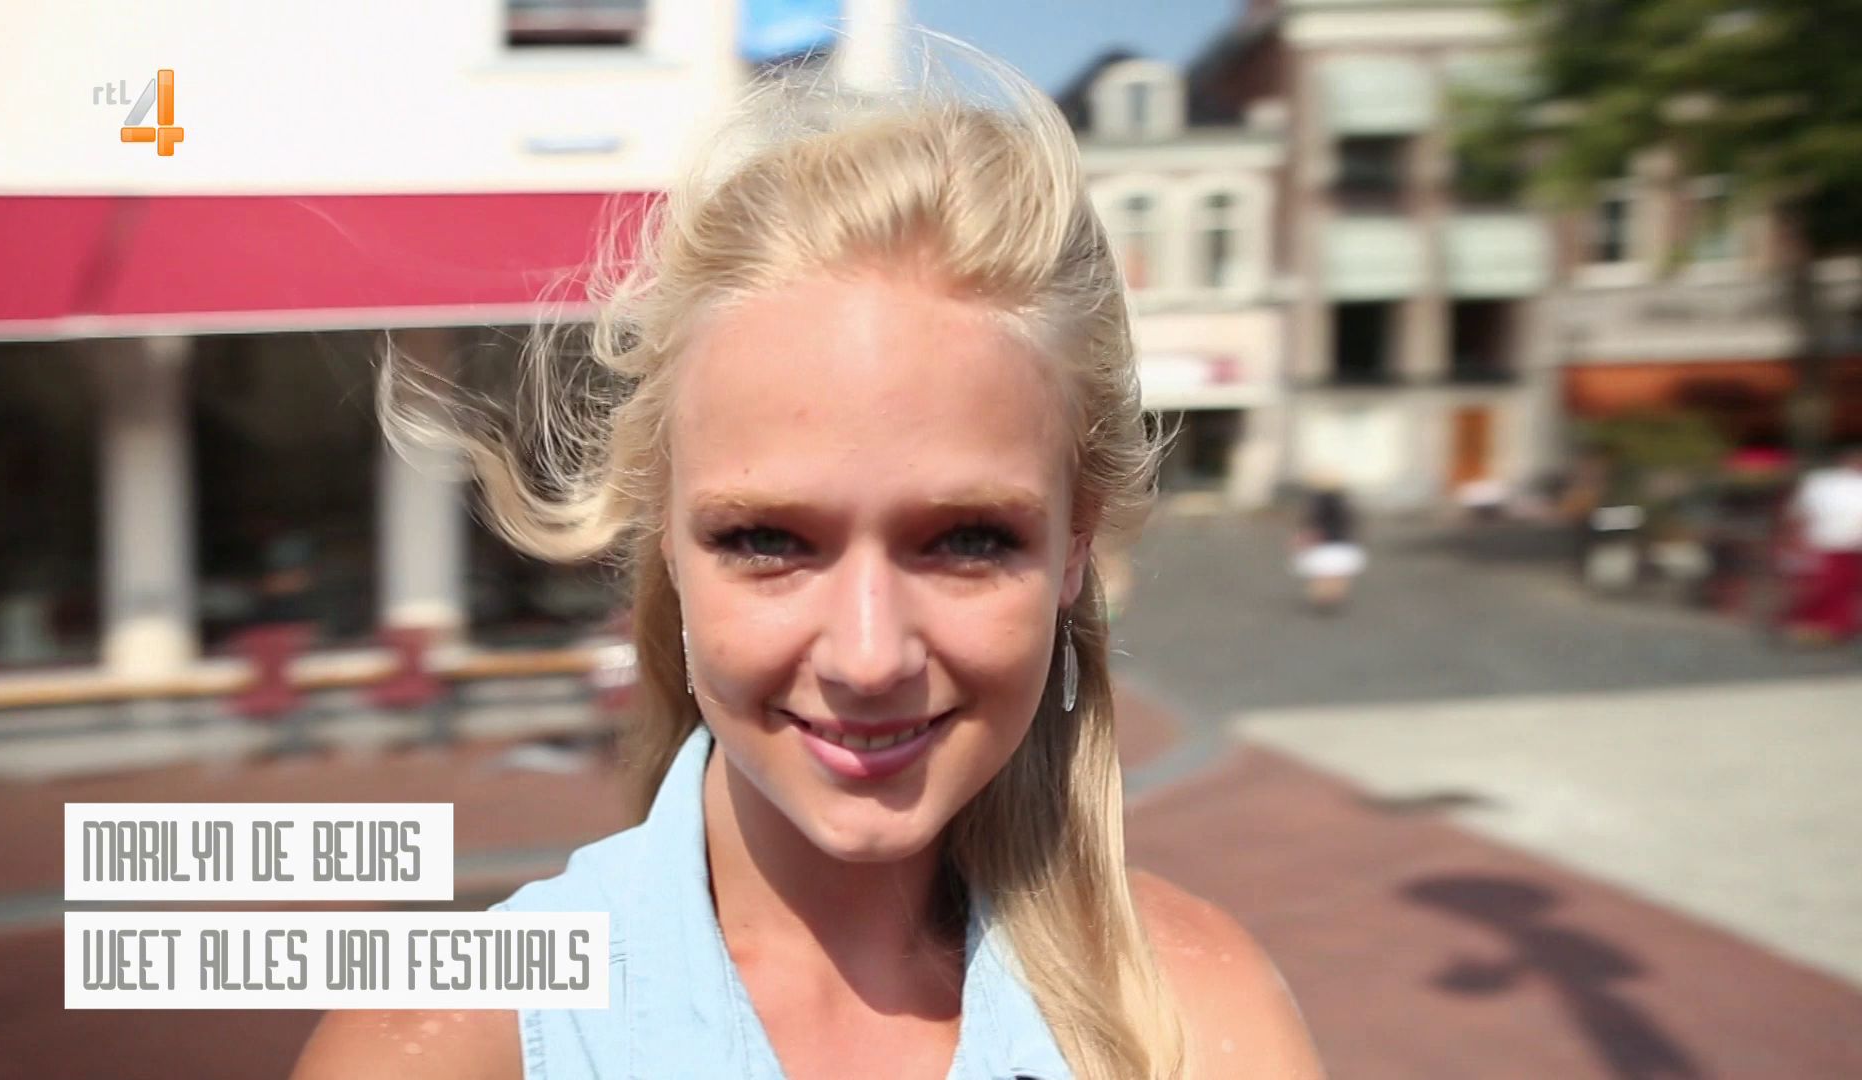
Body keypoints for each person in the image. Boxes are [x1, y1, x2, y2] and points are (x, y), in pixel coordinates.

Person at [292, 37, 1321, 1080]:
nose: (868, 658)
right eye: (767, 541)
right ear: (666, 540)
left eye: (969, 541)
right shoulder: (457, 1042)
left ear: (1074, 547)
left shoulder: (1194, 1015)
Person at [1783, 445, 1862, 644]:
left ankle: (1838, 625)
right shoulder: (1822, 482)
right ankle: (1816, 625)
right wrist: (1795, 537)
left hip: (1850, 544)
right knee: (1825, 587)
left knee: (1845, 588)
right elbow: (1800, 512)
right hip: (1825, 542)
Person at [1291, 474, 1365, 614]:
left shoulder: (1317, 505)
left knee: (1322, 574)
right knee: (1337, 573)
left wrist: (1304, 539)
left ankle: (1324, 598)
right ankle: (1331, 597)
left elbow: (1313, 524)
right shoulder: (1344, 504)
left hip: (1324, 545)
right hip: (1342, 544)